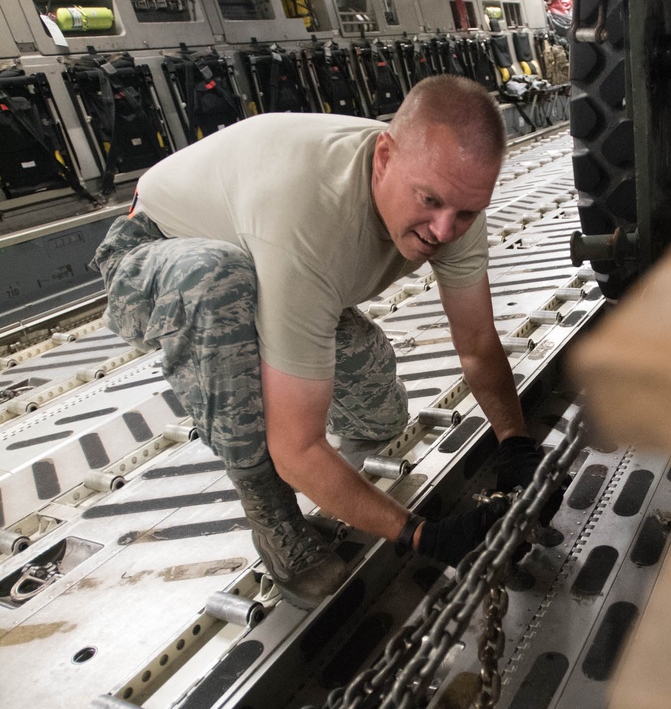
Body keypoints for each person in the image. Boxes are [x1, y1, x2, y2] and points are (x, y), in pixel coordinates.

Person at [93, 77, 545, 607]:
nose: (444, 231)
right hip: (159, 250)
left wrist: (514, 443)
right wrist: (425, 535)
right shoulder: (307, 216)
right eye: (430, 202)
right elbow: (296, 447)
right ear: (383, 159)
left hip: (264, 252)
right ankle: (270, 513)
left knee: (377, 416)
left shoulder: (454, 196)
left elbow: (477, 344)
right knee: (218, 281)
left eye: (465, 213)